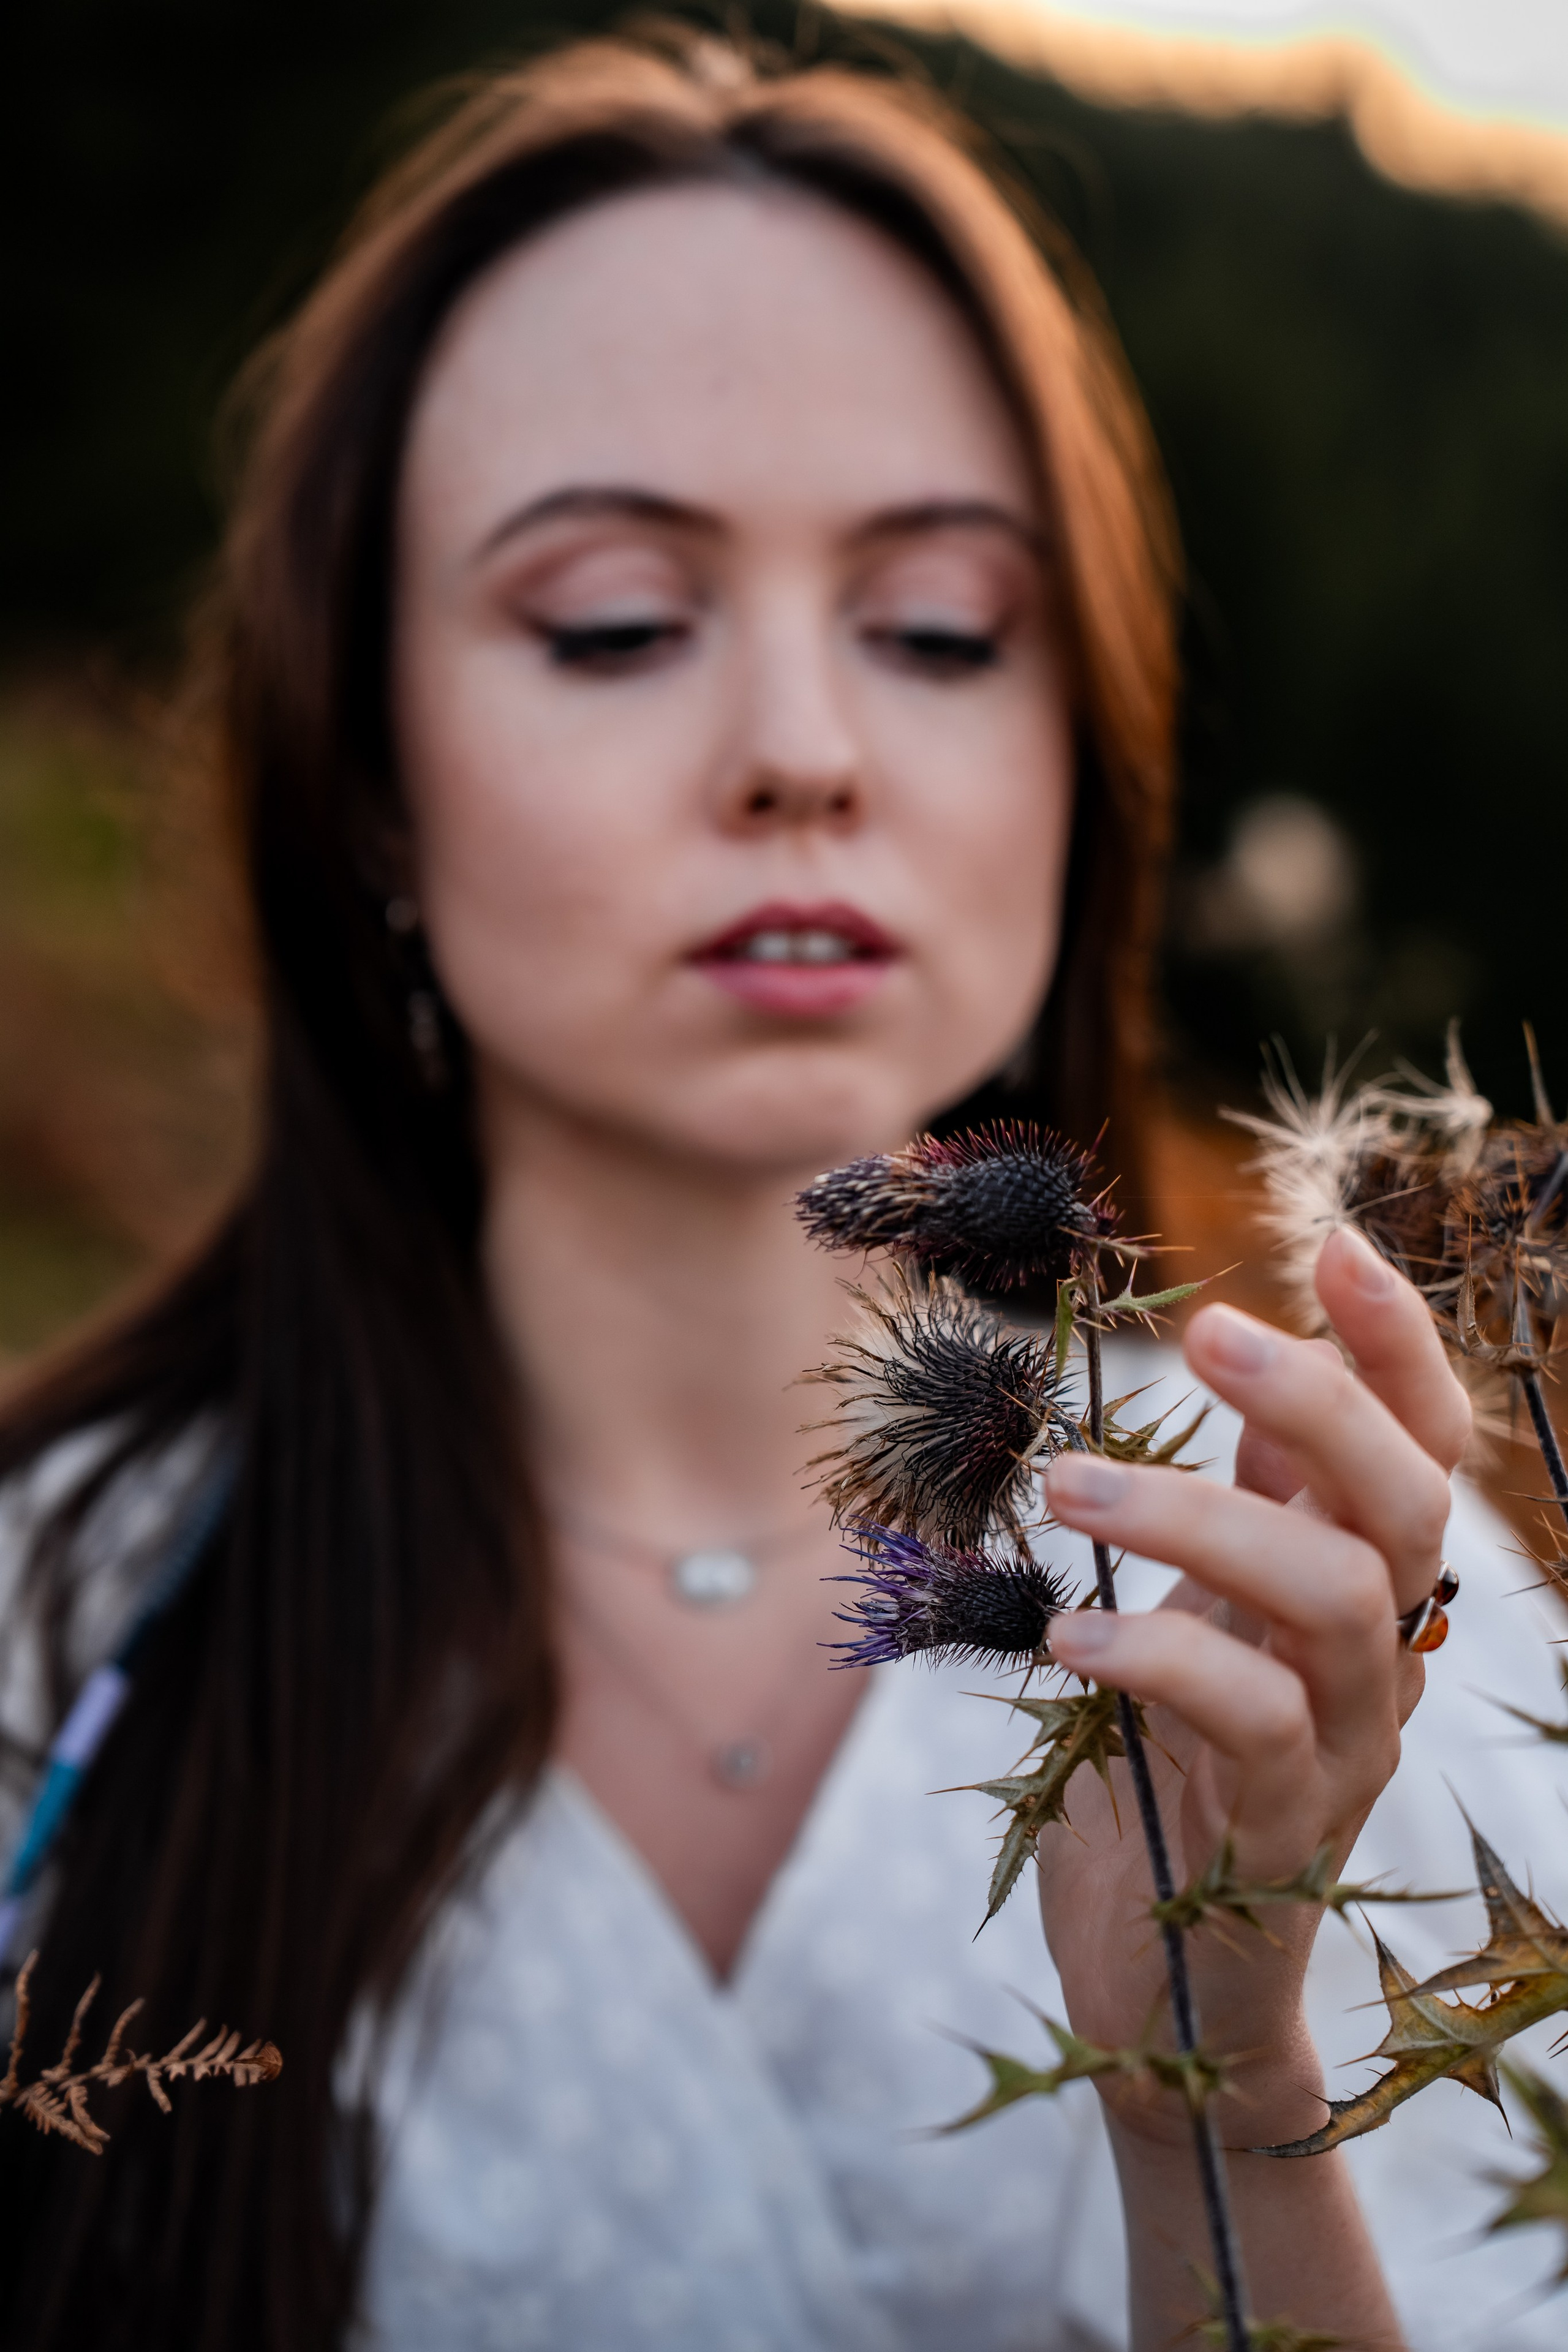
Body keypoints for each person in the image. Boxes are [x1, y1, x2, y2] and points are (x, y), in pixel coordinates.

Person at [0, 33, 1563, 2352]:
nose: (808, 750)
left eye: (939, 627)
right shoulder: (58, 1626)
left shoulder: (1349, 1607)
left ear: (1082, 765)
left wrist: (1223, 2115)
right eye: (618, 620)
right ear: (369, 786)